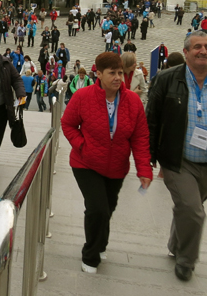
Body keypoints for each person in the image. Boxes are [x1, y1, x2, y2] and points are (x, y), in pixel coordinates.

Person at [146, 31, 207, 282]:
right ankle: (186, 261)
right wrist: (149, 157)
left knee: (189, 208)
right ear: (187, 52)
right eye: (198, 47)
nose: (204, 51)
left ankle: (174, 243)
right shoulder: (166, 80)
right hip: (177, 161)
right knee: (193, 211)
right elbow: (152, 119)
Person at [62, 52, 152, 274]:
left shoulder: (132, 101)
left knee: (108, 208)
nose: (118, 78)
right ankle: (90, 255)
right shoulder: (82, 97)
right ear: (99, 74)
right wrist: (81, 145)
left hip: (117, 166)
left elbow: (140, 137)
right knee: (97, 208)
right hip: (86, 163)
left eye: (120, 73)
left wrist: (144, 169)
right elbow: (68, 124)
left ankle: (100, 243)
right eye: (112, 73)